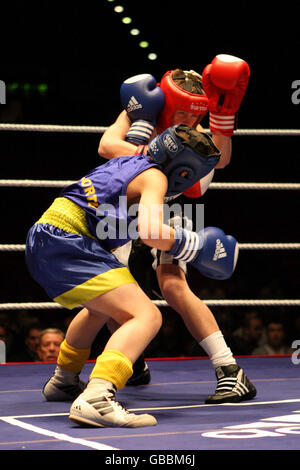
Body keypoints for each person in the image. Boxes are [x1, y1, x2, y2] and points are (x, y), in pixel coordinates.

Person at [25, 122, 241, 428]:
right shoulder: (155, 178)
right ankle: (97, 396)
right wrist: (194, 246)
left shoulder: (129, 158)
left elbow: (109, 147)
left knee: (99, 309)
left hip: (47, 236)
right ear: (184, 172)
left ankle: (63, 380)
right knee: (147, 316)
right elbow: (150, 231)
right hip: (69, 242)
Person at [97, 54, 256, 404]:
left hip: (174, 210)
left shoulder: (197, 127)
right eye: (182, 112)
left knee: (173, 286)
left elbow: (219, 160)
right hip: (124, 207)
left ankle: (229, 370)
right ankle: (132, 363)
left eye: (195, 113)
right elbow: (106, 146)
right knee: (114, 289)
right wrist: (157, 161)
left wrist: (223, 119)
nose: (188, 120)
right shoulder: (143, 107)